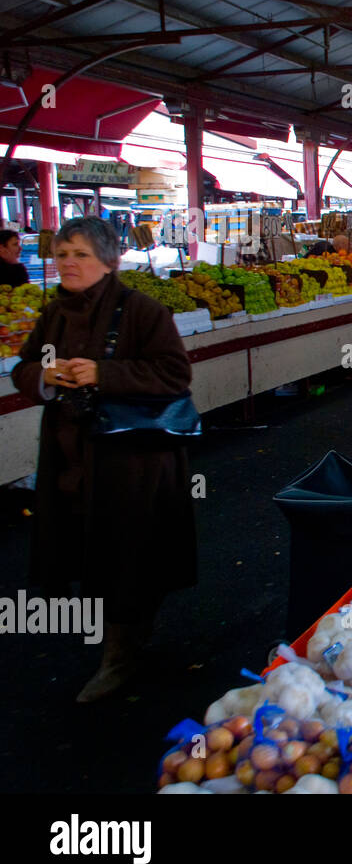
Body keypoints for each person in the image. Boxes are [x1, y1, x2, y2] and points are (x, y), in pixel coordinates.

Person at [12, 217, 196, 702]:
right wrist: (46, 375)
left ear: (110, 262)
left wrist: (105, 373)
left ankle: (120, 653)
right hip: (73, 456)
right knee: (94, 549)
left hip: (132, 461)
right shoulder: (53, 315)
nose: (68, 263)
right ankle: (127, 634)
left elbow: (175, 374)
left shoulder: (143, 311)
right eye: (62, 253)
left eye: (81, 255)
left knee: (126, 553)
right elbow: (24, 367)